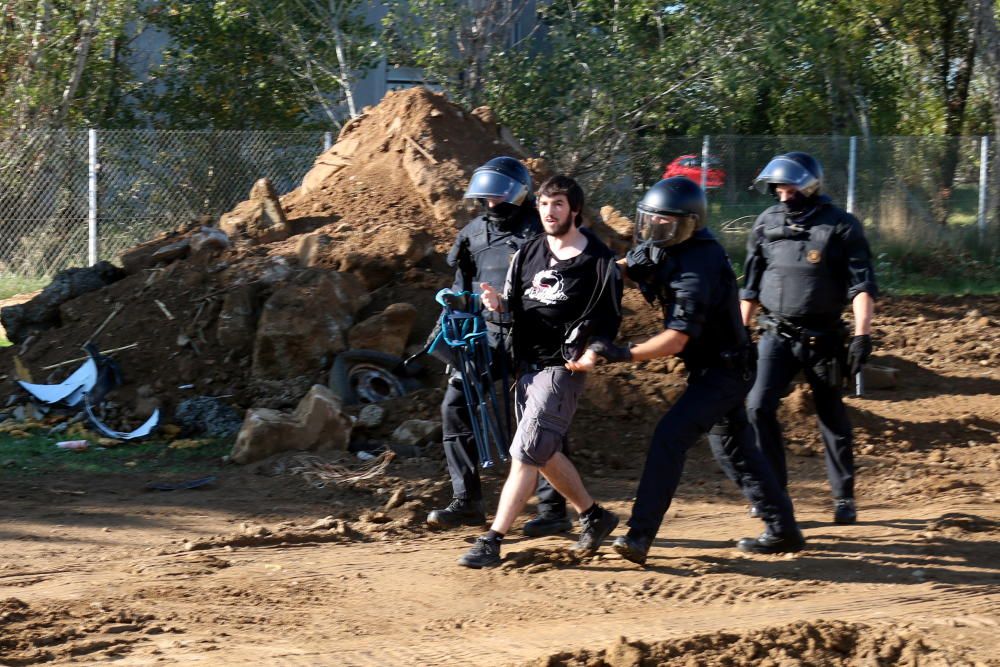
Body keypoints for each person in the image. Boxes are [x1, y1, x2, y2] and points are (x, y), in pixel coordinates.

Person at [570, 176, 805, 565]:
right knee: (734, 449)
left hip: (727, 371)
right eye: (651, 221)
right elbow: (626, 268)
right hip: (711, 369)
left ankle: (639, 535)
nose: (655, 229)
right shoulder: (664, 245)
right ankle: (783, 529)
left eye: (666, 223)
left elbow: (676, 339)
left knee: (670, 437)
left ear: (690, 224)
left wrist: (621, 352)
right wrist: (580, 276)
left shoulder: (700, 266)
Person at [458, 174, 623, 568]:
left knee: (526, 451)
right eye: (545, 205)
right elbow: (515, 305)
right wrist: (497, 304)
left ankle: (493, 539)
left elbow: (609, 322)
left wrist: (592, 354)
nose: (550, 212)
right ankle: (594, 516)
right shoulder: (528, 251)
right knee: (543, 453)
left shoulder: (598, 262)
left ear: (575, 210)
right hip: (526, 368)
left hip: (562, 368)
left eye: (559, 204)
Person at [427, 157, 573, 537]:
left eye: (499, 197)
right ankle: (467, 501)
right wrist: (456, 307)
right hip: (486, 337)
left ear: (520, 194)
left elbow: (560, 287)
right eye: (486, 198)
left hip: (536, 337)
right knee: (454, 406)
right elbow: (462, 286)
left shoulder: (543, 233)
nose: (492, 204)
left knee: (540, 421)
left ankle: (553, 510)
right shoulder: (472, 235)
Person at [740, 151, 877, 525]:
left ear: (810, 185)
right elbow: (750, 288)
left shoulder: (842, 226)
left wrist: (863, 335)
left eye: (789, 187)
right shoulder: (766, 224)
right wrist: (740, 335)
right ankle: (774, 492)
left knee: (831, 414)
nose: (782, 194)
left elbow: (862, 286)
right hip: (775, 333)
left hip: (824, 339)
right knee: (757, 406)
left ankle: (843, 498)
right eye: (778, 188)